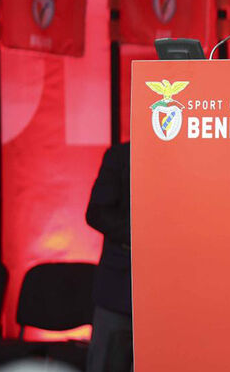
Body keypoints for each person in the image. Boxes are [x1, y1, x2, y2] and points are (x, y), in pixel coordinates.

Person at [85, 142, 133, 372]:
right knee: (106, 364)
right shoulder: (122, 155)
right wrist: (142, 233)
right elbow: (97, 212)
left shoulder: (183, 157)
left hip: (171, 289)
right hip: (119, 287)